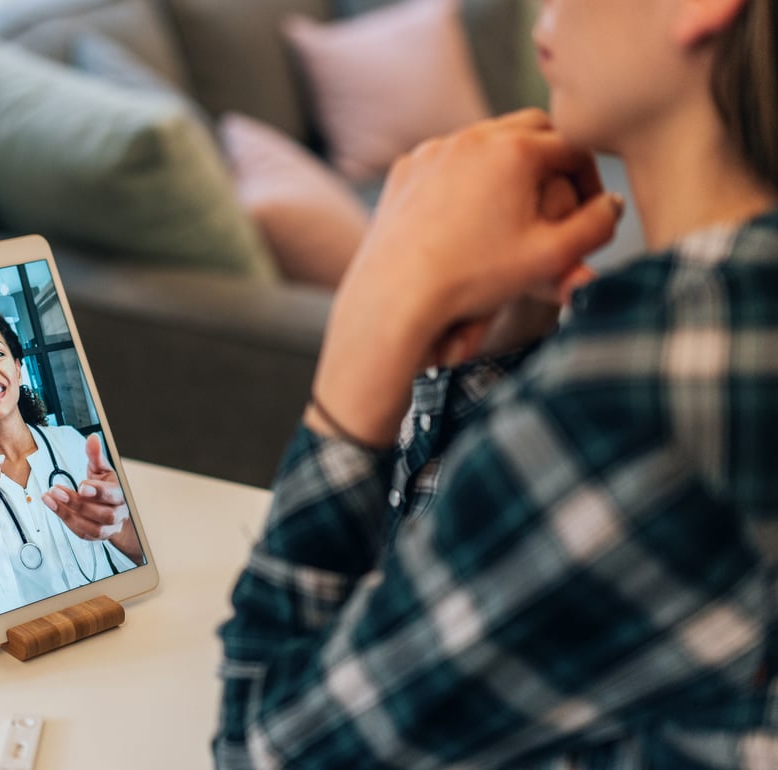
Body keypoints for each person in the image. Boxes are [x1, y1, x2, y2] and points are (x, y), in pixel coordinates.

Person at [216, 0, 778, 767]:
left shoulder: (645, 392)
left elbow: (270, 751)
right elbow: (451, 641)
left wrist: (367, 339)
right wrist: (502, 344)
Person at [0, 304, 142, 632]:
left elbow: (138, 562)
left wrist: (118, 524)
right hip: (24, 642)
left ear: (18, 368)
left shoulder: (72, 445)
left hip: (102, 622)